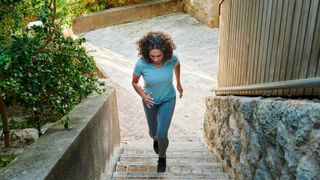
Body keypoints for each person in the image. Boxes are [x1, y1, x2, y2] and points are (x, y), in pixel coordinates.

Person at [132, 31, 183, 172]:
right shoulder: (141, 63)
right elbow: (135, 82)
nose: (156, 59)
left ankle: (162, 156)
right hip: (150, 101)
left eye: (159, 55)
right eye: (152, 56)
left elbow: (177, 65)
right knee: (153, 133)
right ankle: (155, 140)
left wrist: (178, 83)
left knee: (162, 134)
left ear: (165, 52)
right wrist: (143, 95)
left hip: (168, 98)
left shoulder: (172, 59)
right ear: (147, 53)